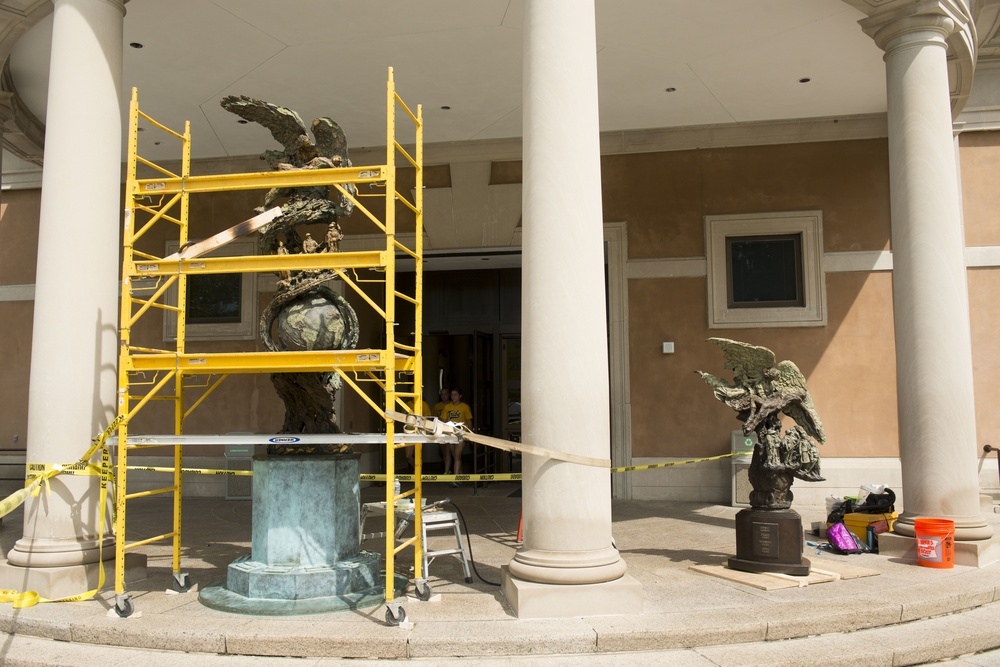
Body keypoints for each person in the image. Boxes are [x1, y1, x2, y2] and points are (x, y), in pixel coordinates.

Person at [440, 388, 472, 486]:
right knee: (455, 456)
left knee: (457, 455)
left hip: (461, 434)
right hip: (451, 434)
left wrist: (470, 435)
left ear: (460, 396)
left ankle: (455, 479)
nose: (453, 397)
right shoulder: (447, 407)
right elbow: (443, 420)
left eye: (455, 395)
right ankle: (460, 475)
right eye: (452, 395)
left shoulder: (465, 407)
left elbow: (469, 421)